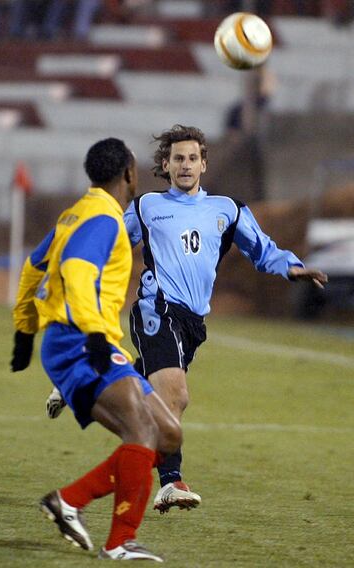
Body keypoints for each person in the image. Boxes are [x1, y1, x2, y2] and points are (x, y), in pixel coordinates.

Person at [47, 124, 328, 514]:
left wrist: (291, 267)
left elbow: (261, 248)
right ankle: (170, 481)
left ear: (204, 164)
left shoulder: (227, 209)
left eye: (192, 158)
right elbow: (109, 239)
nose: (185, 165)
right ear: (165, 164)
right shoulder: (147, 206)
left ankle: (80, 380)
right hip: (157, 308)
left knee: (143, 388)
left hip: (194, 322)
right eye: (177, 158)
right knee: (174, 397)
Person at [10, 137, 182, 562]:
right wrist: (92, 335)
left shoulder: (77, 212)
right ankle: (120, 541)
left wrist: (24, 330)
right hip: (82, 342)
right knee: (142, 431)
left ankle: (68, 500)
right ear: (128, 173)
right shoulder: (104, 218)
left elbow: (34, 265)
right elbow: (76, 271)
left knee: (168, 433)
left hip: (85, 339)